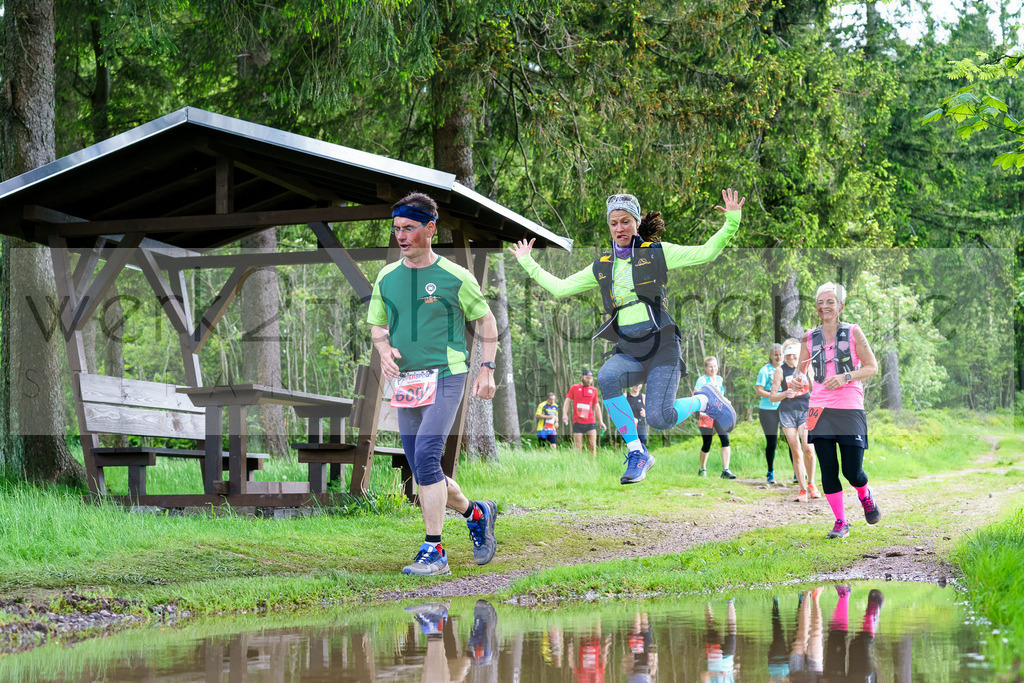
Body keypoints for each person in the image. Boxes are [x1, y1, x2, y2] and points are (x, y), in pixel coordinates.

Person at [510, 189, 743, 485]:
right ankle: (637, 453)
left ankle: (704, 399)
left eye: (625, 222)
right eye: (613, 223)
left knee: (661, 418)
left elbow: (706, 253)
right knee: (606, 376)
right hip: (630, 349)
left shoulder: (657, 253)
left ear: (635, 222)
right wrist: (528, 262)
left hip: (662, 346)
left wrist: (731, 221)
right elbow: (560, 288)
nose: (619, 228)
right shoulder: (602, 265)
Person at [368, 192, 498, 576]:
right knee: (422, 467)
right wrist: (383, 348)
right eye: (396, 230)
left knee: (427, 455)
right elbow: (378, 323)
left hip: (447, 374)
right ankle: (477, 512)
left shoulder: (455, 276)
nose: (401, 237)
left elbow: (487, 322)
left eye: (409, 228)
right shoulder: (387, 278)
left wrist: (486, 368)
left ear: (430, 228)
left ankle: (434, 550)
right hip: (408, 381)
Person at [797, 282, 881, 539]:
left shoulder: (854, 332)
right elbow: (800, 373)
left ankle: (865, 495)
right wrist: (797, 381)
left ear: (841, 307)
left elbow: (872, 367)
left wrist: (845, 377)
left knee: (852, 471)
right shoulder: (809, 337)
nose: (824, 306)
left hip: (849, 408)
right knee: (828, 470)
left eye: (830, 302)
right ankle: (840, 522)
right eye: (820, 302)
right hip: (819, 409)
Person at [771, 338, 820, 502]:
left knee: (808, 448)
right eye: (789, 355)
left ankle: (812, 483)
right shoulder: (780, 371)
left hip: (805, 410)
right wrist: (786, 393)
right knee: (796, 452)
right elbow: (772, 397)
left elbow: (815, 391)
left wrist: (810, 377)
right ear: (785, 356)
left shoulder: (807, 368)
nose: (792, 358)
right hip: (787, 412)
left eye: (794, 355)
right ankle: (802, 489)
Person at [694, 356, 736, 479]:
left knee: (725, 440)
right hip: (706, 415)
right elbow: (695, 394)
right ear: (706, 368)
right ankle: (702, 469)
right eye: (710, 366)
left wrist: (726, 401)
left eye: (715, 366)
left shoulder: (719, 379)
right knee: (707, 443)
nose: (713, 369)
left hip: (720, 414)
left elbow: (721, 395)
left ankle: (725, 470)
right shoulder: (702, 380)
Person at [755, 343, 784, 483]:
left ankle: (798, 474)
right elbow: (759, 390)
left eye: (780, 354)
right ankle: (770, 472)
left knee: (792, 441)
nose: (778, 357)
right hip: (768, 410)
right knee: (772, 442)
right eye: (775, 354)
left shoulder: (786, 369)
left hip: (784, 409)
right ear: (770, 356)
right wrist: (774, 395)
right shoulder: (765, 370)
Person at [564, 369, 606, 455]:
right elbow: (567, 401)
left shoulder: (594, 390)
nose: (589, 380)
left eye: (591, 378)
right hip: (577, 421)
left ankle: (592, 465)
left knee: (592, 445)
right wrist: (565, 414)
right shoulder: (574, 388)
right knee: (578, 447)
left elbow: (596, 406)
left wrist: (601, 421)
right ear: (582, 377)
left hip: (590, 421)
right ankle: (578, 465)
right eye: (587, 377)